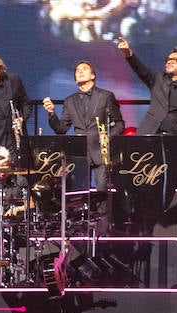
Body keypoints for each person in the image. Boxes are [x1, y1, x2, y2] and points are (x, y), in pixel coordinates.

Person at [118, 39, 177, 231]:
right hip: (149, 137)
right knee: (138, 176)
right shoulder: (157, 78)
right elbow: (140, 69)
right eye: (168, 59)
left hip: (176, 142)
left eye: (174, 60)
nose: (169, 62)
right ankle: (134, 218)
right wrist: (128, 52)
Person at [42, 60, 123, 230]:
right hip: (80, 152)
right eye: (77, 70)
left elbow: (119, 123)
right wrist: (51, 114)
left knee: (102, 192)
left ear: (93, 75)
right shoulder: (69, 101)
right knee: (78, 194)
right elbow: (61, 129)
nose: (80, 72)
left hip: (101, 151)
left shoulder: (106, 96)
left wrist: (108, 137)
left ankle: (103, 231)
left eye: (84, 69)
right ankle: (79, 229)